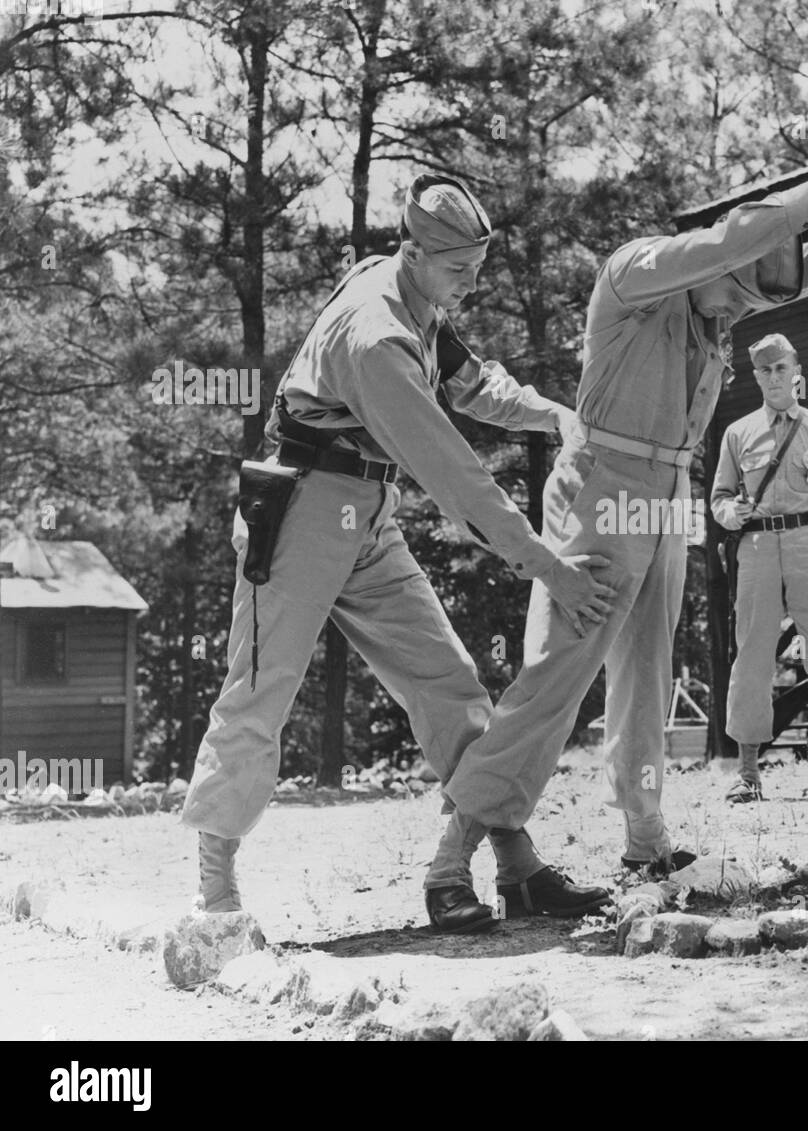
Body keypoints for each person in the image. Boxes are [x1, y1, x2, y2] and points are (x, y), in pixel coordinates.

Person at [423, 98, 808, 897]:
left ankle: (645, 842)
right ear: (716, 263)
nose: (744, 308)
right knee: (557, 674)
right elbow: (731, 243)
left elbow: (807, 262)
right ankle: (452, 857)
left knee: (649, 673)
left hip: (668, 494)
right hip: (602, 485)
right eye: (739, 291)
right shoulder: (640, 273)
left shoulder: (720, 295)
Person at [181, 173, 616, 935]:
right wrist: (551, 570)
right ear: (412, 251)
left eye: (479, 268)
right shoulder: (375, 335)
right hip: (303, 512)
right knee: (261, 689)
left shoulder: (419, 295)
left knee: (450, 682)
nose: (471, 285)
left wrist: (554, 415)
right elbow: (459, 479)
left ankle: (515, 865)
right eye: (458, 270)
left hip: (366, 512)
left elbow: (472, 383)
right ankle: (214, 893)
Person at [711, 334, 808, 801]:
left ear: (796, 370)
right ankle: (748, 774)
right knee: (751, 656)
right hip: (755, 548)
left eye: (781, 368)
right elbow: (718, 497)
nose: (774, 378)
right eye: (764, 370)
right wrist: (728, 513)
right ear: (755, 376)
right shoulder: (737, 434)